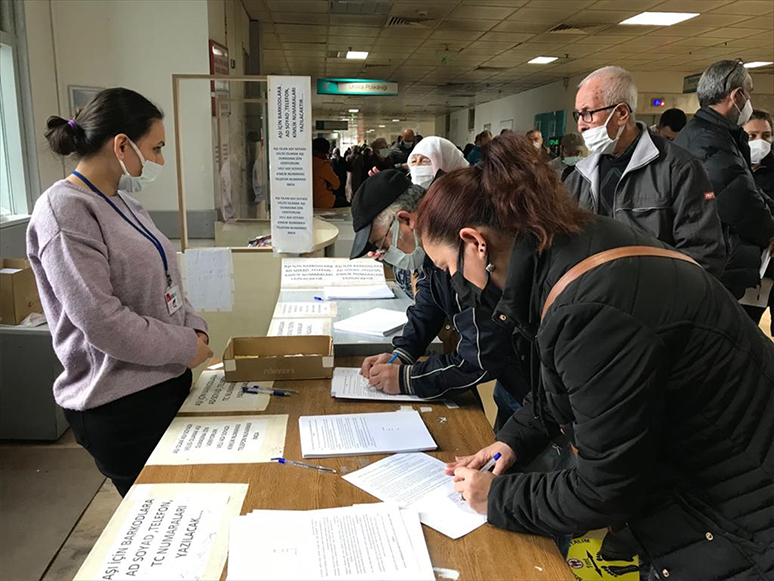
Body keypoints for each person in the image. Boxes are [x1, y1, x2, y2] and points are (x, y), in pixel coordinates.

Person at [414, 132, 773, 580]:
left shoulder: (588, 307)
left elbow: (606, 487)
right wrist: (512, 441)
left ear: (475, 242)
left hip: (740, 525)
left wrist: (497, 498)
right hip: (714, 488)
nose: (454, 284)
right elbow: (561, 388)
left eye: (450, 268)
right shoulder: (569, 248)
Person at [26, 88, 213, 496]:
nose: (161, 160)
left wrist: (196, 329)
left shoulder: (125, 203)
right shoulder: (65, 211)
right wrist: (185, 346)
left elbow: (168, 278)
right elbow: (102, 322)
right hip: (122, 405)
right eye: (156, 148)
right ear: (122, 144)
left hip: (165, 383)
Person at [350, 170, 529, 430]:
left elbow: (479, 355)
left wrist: (407, 380)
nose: (382, 254)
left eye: (382, 243)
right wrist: (403, 353)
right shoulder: (434, 242)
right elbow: (428, 303)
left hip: (534, 385)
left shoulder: (461, 245)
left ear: (405, 220)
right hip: (517, 384)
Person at [566, 66, 725, 279]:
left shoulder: (679, 169)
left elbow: (703, 255)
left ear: (621, 113)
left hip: (654, 304)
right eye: (578, 115)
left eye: (587, 114)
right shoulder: (579, 177)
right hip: (593, 302)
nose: (580, 126)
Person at [675, 60, 774, 309]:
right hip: (717, 259)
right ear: (737, 95)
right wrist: (770, 231)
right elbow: (737, 197)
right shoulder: (709, 138)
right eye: (748, 93)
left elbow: (748, 186)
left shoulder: (712, 133)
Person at [742, 109, 774, 327]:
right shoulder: (728, 168)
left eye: (766, 135)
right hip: (745, 267)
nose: (759, 142)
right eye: (752, 136)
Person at [312, 137, 345, 208]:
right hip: (324, 201)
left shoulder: (308, 162)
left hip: (311, 201)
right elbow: (336, 184)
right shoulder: (322, 164)